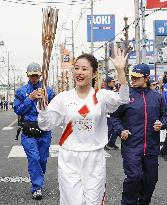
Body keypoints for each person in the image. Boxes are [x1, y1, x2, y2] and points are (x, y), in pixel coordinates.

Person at [36, 48, 129, 205]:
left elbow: (123, 98)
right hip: (69, 157)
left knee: (93, 201)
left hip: (94, 157)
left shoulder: (101, 96)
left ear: (93, 74)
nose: (79, 72)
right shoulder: (63, 98)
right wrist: (43, 107)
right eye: (76, 68)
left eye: (84, 69)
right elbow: (45, 124)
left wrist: (120, 70)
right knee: (73, 202)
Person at [110, 64, 167, 205]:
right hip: (132, 146)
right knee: (134, 177)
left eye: (137, 78)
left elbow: (165, 115)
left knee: (151, 180)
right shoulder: (125, 96)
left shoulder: (157, 97)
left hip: (151, 147)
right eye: (132, 77)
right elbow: (114, 117)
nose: (133, 80)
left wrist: (162, 123)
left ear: (146, 78)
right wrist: (120, 130)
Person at [13, 62, 55, 200]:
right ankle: (37, 187)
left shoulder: (48, 91)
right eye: (32, 76)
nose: (34, 78)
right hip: (28, 132)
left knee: (42, 160)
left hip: (44, 132)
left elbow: (55, 110)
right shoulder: (21, 91)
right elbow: (18, 110)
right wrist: (29, 99)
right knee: (34, 158)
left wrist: (46, 101)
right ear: (28, 75)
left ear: (40, 75)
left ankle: (38, 179)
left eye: (36, 75)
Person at [104, 76, 119, 150]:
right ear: (108, 82)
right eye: (113, 81)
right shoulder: (107, 91)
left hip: (113, 113)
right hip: (108, 114)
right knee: (109, 129)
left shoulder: (111, 90)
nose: (114, 83)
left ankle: (111, 143)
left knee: (114, 129)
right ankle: (104, 144)